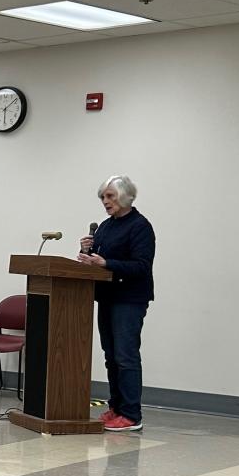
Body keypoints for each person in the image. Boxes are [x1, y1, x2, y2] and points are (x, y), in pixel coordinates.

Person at [78, 175, 155, 432]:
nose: (105, 201)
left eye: (110, 196)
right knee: (111, 357)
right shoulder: (106, 226)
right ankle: (116, 408)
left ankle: (132, 415)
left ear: (125, 196)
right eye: (103, 197)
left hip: (130, 300)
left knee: (126, 357)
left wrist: (106, 263)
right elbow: (99, 260)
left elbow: (141, 267)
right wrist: (87, 251)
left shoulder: (140, 226)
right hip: (107, 297)